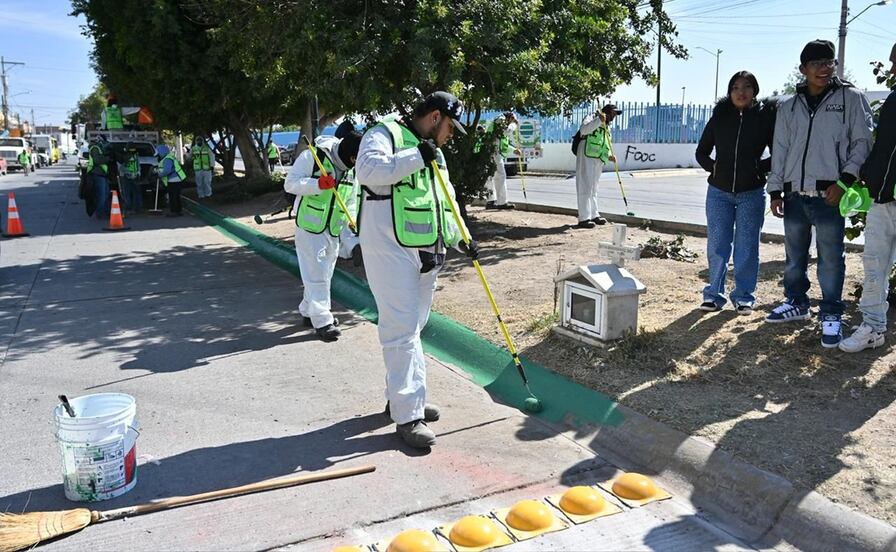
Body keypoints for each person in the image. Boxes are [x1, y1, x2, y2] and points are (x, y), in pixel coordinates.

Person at [355, 91, 476, 449]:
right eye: (451, 127)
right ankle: (408, 415)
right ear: (436, 117)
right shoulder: (385, 134)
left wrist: (462, 238)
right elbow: (368, 172)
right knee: (401, 328)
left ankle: (406, 397)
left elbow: (445, 199)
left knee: (414, 326)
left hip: (426, 250)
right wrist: (415, 156)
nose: (451, 135)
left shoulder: (433, 153)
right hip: (389, 248)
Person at [765, 39, 873, 348]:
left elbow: (862, 143)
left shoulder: (851, 98)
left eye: (829, 63)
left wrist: (844, 182)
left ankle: (831, 315)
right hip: (796, 197)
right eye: (817, 64)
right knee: (794, 257)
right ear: (803, 69)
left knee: (830, 260)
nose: (824, 69)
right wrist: (775, 190)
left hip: (831, 196)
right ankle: (797, 302)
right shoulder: (788, 105)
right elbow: (781, 150)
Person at [695, 71, 774, 314]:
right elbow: (702, 152)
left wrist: (758, 170)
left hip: (752, 192)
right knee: (718, 244)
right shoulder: (720, 116)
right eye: (736, 87)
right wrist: (715, 168)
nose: (741, 92)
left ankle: (744, 297)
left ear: (755, 91)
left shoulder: (764, 118)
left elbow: (778, 154)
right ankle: (713, 295)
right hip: (719, 192)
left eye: (747, 87)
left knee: (747, 246)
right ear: (729, 92)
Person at [840, 43, 896, 353]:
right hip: (881, 200)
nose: (893, 70)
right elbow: (884, 149)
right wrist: (869, 177)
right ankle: (873, 328)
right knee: (874, 267)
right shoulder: (893, 101)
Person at [284, 131, 362, 342]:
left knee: (323, 273)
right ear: (350, 155)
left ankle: (308, 310)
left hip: (333, 228)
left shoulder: (352, 170)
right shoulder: (313, 156)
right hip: (310, 226)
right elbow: (290, 183)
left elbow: (352, 201)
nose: (355, 165)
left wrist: (352, 227)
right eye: (355, 159)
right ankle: (323, 321)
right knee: (317, 274)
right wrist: (316, 185)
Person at [574, 104, 620, 228]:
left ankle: (594, 215)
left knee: (594, 187)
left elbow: (605, 142)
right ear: (607, 111)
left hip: (598, 157)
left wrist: (609, 155)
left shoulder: (607, 126)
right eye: (613, 113)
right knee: (585, 185)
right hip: (586, 153)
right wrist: (598, 120)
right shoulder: (592, 117)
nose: (615, 116)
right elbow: (584, 130)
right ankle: (584, 218)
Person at [484, 112, 519, 210]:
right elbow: (505, 131)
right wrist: (513, 125)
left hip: (491, 150)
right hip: (493, 151)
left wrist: (513, 150)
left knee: (491, 176)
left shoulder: (499, 120)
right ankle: (501, 202)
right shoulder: (500, 120)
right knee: (500, 175)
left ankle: (491, 201)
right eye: (512, 120)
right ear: (510, 118)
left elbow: (501, 142)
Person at [157, 144, 186, 217]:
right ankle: (178, 211)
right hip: (177, 179)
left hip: (173, 180)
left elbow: (167, 170)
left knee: (173, 196)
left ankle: (174, 211)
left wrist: (160, 174)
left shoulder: (167, 159)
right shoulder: (170, 157)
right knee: (176, 196)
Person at [87, 136, 112, 219]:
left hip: (102, 174)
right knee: (101, 195)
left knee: (106, 194)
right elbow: (97, 160)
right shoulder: (95, 148)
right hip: (97, 174)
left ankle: (105, 212)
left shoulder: (99, 149)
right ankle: (100, 213)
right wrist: (108, 158)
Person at [117, 143, 142, 213]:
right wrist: (129, 173)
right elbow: (121, 168)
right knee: (126, 193)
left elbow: (137, 164)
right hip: (126, 176)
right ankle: (128, 208)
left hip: (135, 176)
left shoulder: (136, 155)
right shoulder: (124, 156)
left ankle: (137, 208)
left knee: (136, 193)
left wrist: (138, 172)